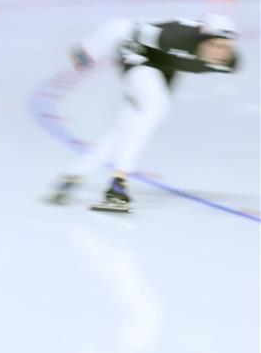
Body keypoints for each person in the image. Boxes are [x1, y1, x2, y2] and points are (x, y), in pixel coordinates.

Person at [48, 13, 239, 211]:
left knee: (126, 128)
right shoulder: (172, 37)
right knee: (158, 106)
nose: (220, 53)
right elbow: (120, 26)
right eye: (214, 45)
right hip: (138, 57)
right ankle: (118, 182)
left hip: (164, 70)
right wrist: (88, 50)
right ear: (199, 40)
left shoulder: (228, 62)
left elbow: (184, 60)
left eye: (226, 47)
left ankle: (73, 176)